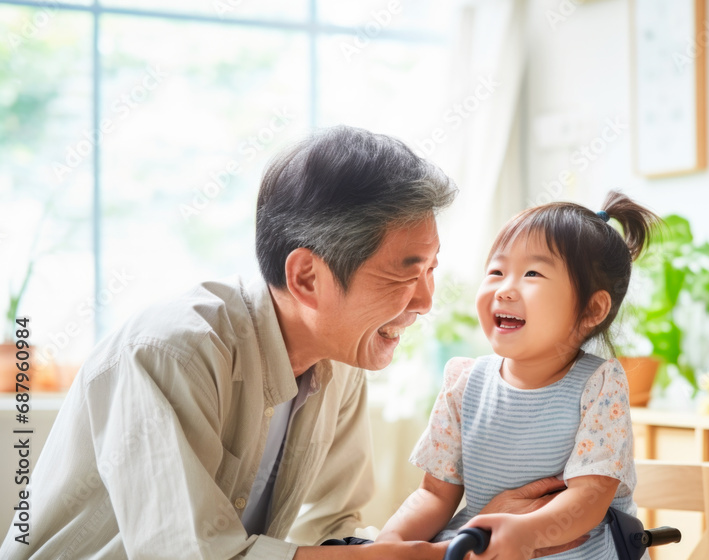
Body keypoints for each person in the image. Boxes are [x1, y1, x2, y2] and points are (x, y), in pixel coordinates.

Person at [2, 126, 583, 559]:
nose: (425, 301)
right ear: (307, 276)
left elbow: (332, 530)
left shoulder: (342, 359)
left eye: (433, 268)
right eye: (406, 273)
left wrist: (469, 528)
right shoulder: (173, 351)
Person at [377, 191, 659, 559]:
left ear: (592, 309)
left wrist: (526, 533)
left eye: (532, 273)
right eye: (496, 271)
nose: (505, 288)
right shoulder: (464, 382)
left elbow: (589, 497)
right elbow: (433, 494)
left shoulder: (599, 384)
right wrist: (387, 545)